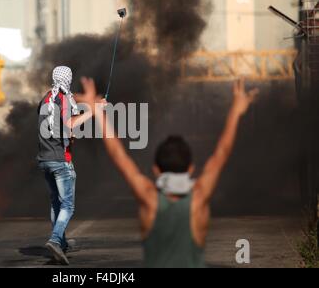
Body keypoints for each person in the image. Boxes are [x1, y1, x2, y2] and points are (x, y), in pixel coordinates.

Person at [77, 77, 258, 268]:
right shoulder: (198, 199)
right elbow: (221, 153)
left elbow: (118, 155)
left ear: (155, 169)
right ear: (191, 168)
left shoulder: (149, 199)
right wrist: (236, 111)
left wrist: (97, 111)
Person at [37, 66, 94, 265]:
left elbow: (57, 128)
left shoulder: (46, 98)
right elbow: (69, 125)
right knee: (67, 206)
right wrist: (93, 111)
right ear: (68, 79)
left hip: (44, 159)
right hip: (60, 161)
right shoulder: (62, 98)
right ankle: (54, 240)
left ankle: (61, 242)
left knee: (56, 203)